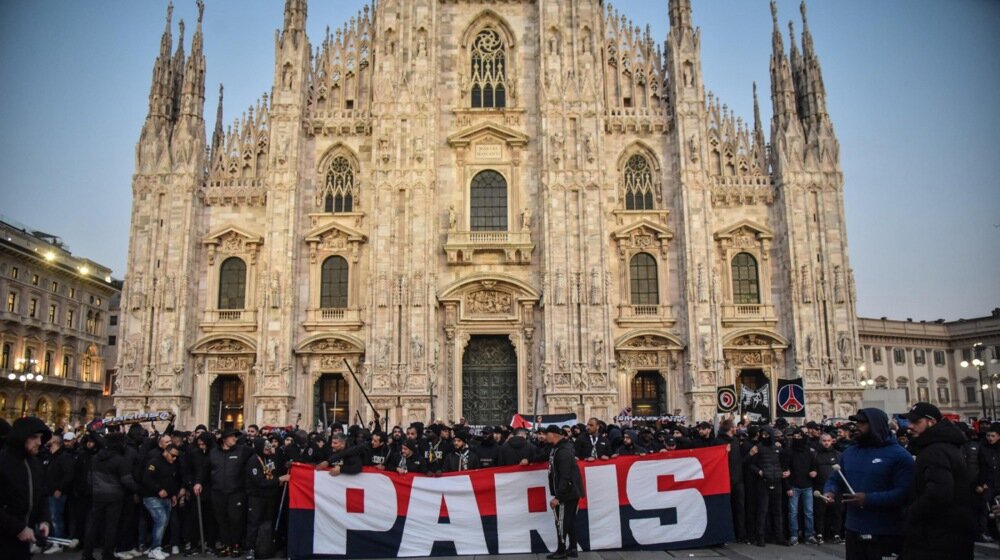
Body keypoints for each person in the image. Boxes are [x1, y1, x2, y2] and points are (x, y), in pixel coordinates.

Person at [823, 408, 912, 560]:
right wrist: (830, 491)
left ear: (876, 425)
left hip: (885, 531)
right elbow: (836, 477)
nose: (857, 426)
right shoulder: (850, 452)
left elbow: (905, 492)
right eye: (856, 422)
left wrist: (868, 499)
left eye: (863, 423)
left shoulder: (899, 455)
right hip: (853, 528)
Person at [901, 402, 976, 560]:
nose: (910, 426)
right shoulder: (944, 446)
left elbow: (938, 494)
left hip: (936, 536)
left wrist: (910, 513)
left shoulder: (935, 451)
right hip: (949, 534)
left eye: (916, 422)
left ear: (931, 422)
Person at [195, 428, 254, 558]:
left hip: (236, 492)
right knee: (221, 520)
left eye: (236, 437)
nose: (235, 439)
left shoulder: (242, 450)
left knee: (235, 519)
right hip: (217, 492)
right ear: (224, 439)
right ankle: (226, 545)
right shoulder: (213, 453)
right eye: (232, 436)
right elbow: (204, 470)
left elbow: (257, 453)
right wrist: (198, 482)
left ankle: (236, 545)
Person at [0, 417, 52, 560]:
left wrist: (44, 520)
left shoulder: (35, 464)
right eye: (34, 437)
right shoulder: (3, 462)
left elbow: (42, 495)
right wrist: (18, 528)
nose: (39, 442)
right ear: (21, 437)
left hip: (24, 540)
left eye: (41, 438)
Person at [82, 432, 139, 560]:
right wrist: (137, 489)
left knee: (93, 525)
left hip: (97, 494)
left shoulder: (96, 457)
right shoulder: (119, 459)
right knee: (111, 526)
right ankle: (107, 553)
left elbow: (90, 477)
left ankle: (87, 554)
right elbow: (126, 479)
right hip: (115, 496)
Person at [245, 439, 289, 560]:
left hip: (268, 497)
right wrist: (279, 480)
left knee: (267, 522)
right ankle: (251, 548)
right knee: (254, 522)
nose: (268, 449)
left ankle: (264, 547)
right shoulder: (253, 461)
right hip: (256, 497)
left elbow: (271, 472)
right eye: (265, 448)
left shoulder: (267, 459)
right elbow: (260, 481)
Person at [545, 425, 583, 559]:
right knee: (570, 521)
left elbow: (565, 476)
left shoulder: (563, 451)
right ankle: (572, 548)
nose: (544, 437)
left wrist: (558, 497)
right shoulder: (557, 449)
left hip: (567, 494)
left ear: (553, 434)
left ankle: (562, 549)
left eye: (546, 434)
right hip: (569, 492)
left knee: (561, 521)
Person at [140, 444, 182, 560]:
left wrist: (173, 495)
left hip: (167, 497)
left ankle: (155, 547)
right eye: (172, 455)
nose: (174, 458)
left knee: (163, 522)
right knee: (161, 520)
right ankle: (155, 548)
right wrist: (158, 489)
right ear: (166, 452)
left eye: (176, 456)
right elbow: (147, 478)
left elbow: (172, 480)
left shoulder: (172, 464)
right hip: (152, 496)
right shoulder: (154, 462)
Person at [748, 426, 786, 547]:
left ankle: (779, 536)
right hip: (764, 482)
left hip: (777, 481)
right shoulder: (758, 447)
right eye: (763, 435)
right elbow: (751, 464)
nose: (764, 437)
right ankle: (760, 537)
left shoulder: (777, 448)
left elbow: (784, 462)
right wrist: (759, 472)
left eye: (766, 435)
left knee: (777, 511)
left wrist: (784, 472)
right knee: (762, 511)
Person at [782, 429, 818, 545]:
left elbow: (814, 466)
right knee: (793, 512)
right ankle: (794, 535)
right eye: (795, 436)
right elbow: (785, 470)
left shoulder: (809, 451)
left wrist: (814, 471)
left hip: (807, 485)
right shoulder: (789, 452)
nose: (797, 439)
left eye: (799, 436)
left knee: (809, 512)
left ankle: (809, 535)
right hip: (794, 486)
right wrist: (788, 487)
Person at [813, 433, 842, 544]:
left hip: (835, 488)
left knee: (836, 512)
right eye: (824, 440)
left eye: (828, 440)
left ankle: (836, 534)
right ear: (820, 441)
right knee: (820, 512)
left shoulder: (838, 455)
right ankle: (820, 534)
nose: (826, 443)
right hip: (820, 487)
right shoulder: (815, 454)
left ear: (832, 441)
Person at [979, 423, 1000, 540]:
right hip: (988, 484)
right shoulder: (983, 448)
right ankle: (990, 532)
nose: (990, 438)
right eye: (988, 436)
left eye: (993, 436)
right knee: (988, 510)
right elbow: (981, 467)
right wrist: (981, 483)